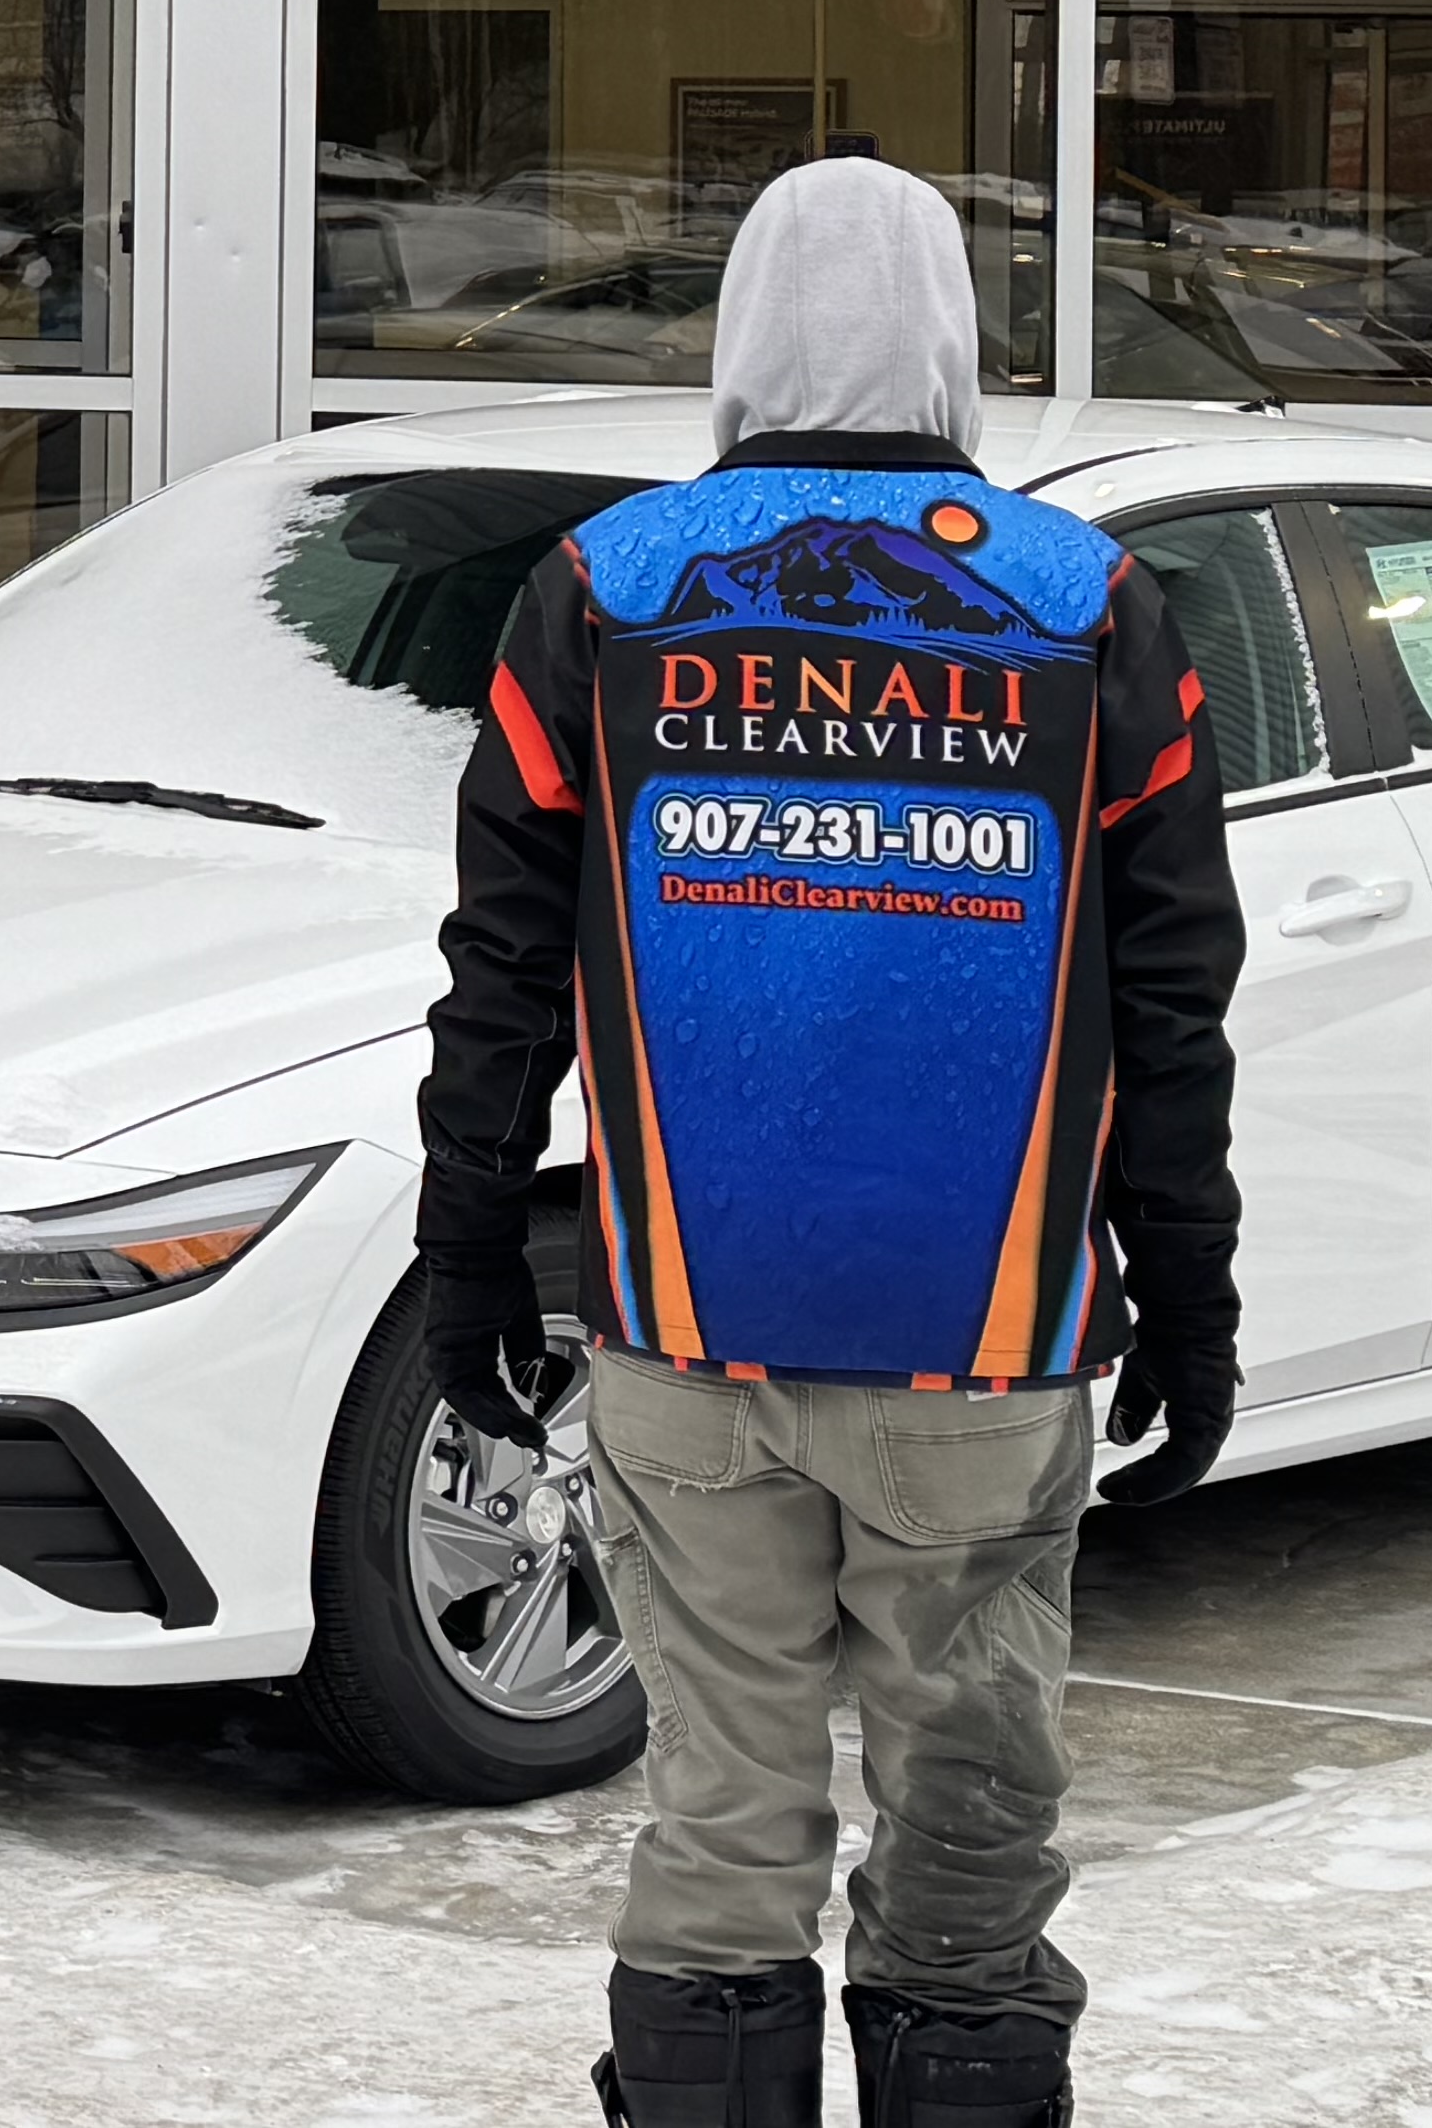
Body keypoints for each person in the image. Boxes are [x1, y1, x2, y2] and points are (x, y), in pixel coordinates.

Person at [414, 158, 1242, 2128]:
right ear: (956, 335)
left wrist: (467, 1267)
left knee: (720, 1838)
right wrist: (1190, 1300)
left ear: (741, 336)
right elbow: (1175, 1006)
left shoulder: (601, 594)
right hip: (985, 1347)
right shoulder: (1088, 606)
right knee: (965, 1867)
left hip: (684, 1346)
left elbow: (502, 979)